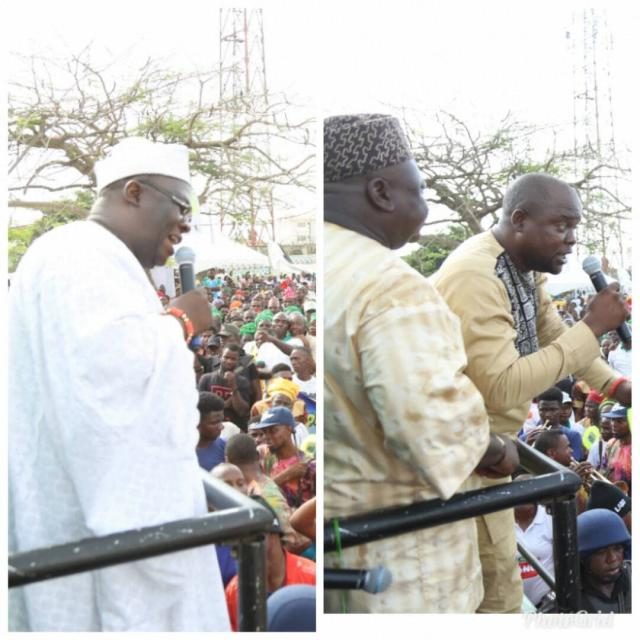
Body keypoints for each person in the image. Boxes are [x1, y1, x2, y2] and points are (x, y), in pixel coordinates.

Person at [8, 137, 229, 631]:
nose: (186, 224)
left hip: (75, 508)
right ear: (133, 192)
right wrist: (181, 323)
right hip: (91, 526)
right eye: (180, 206)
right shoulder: (80, 257)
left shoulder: (89, 254)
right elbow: (113, 377)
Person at [324, 114, 518, 613]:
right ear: (382, 192)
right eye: (421, 187)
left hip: (344, 553)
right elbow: (431, 428)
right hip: (408, 572)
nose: (425, 204)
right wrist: (494, 448)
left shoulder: (328, 263)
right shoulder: (390, 283)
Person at [431, 171, 631, 612]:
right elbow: (502, 387)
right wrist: (594, 325)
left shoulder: (522, 269)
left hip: (489, 455)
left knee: (500, 591)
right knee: (490, 595)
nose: (572, 240)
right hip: (462, 461)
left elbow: (555, 336)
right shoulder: (476, 276)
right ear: (519, 220)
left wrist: (618, 387)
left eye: (574, 227)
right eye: (561, 226)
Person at [224, 497, 316, 631]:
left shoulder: (312, 577)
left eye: (248, 535)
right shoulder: (234, 591)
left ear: (273, 534)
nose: (241, 544)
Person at [576, 509, 632, 613]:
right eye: (601, 552)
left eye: (617, 548)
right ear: (583, 558)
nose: (612, 559)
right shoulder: (569, 599)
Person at [601, 404, 632, 493]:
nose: (613, 425)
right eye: (612, 420)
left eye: (619, 421)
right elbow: (604, 471)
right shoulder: (611, 444)